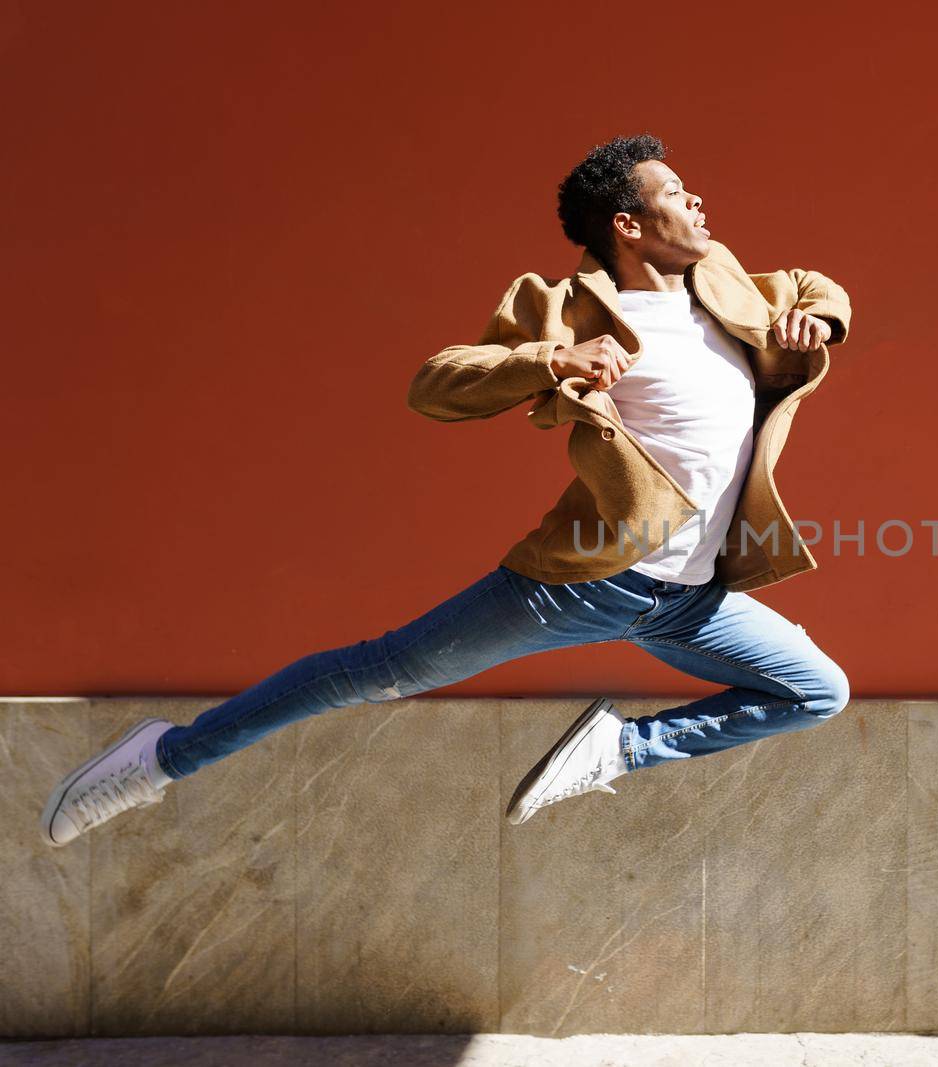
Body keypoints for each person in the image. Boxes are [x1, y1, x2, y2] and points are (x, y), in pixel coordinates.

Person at [40, 133, 855, 848]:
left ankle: (620, 748)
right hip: (584, 580)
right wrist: (555, 360)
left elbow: (820, 285)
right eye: (677, 191)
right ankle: (163, 757)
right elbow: (436, 383)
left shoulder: (725, 283)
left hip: (690, 598)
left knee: (816, 689)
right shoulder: (564, 306)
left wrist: (817, 323)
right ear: (629, 224)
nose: (699, 199)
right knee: (377, 669)